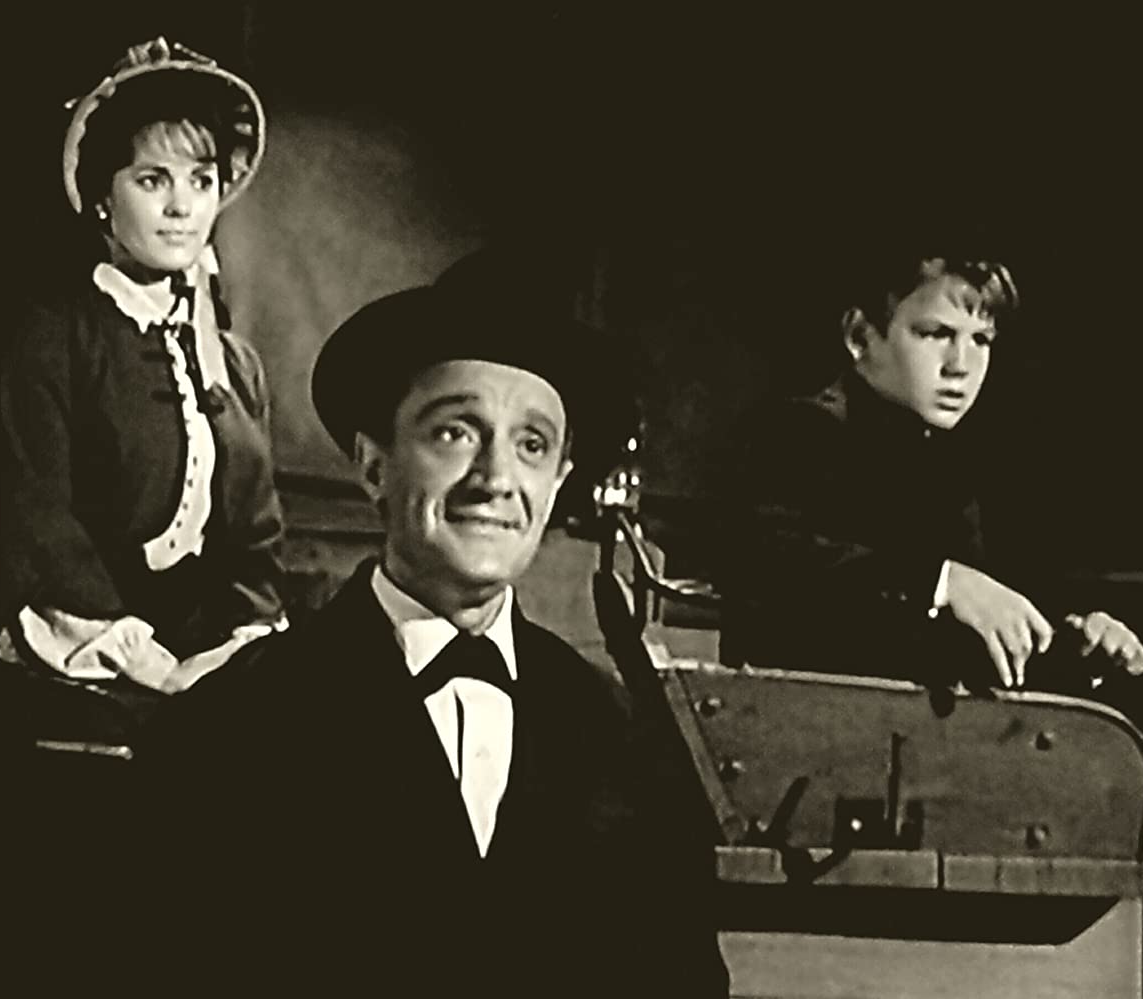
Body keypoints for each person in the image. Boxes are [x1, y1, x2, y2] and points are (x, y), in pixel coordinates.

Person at [138, 250, 728, 997]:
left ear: (557, 484)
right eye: (455, 433)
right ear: (374, 466)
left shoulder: (629, 741)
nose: (495, 479)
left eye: (532, 445)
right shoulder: (230, 725)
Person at [0, 38, 286, 694]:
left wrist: (240, 645)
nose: (182, 207)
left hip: (205, 661)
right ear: (103, 197)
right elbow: (40, 526)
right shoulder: (54, 339)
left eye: (200, 180)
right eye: (153, 180)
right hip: (77, 661)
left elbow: (255, 541)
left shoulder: (235, 364)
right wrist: (153, 667)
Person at [722, 253, 1143, 693]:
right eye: (936, 334)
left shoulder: (952, 462)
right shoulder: (796, 431)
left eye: (981, 340)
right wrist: (943, 583)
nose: (961, 365)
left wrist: (1076, 645)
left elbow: (967, 647)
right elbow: (772, 565)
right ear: (860, 335)